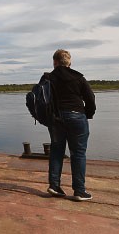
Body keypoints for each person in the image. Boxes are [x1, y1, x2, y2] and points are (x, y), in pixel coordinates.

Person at [44, 49, 96, 201]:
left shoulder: (48, 78)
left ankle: (54, 186)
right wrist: (88, 114)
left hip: (56, 118)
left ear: (55, 62)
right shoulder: (78, 77)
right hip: (77, 116)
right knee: (78, 153)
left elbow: (41, 99)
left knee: (56, 151)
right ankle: (79, 191)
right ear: (69, 62)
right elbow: (90, 98)